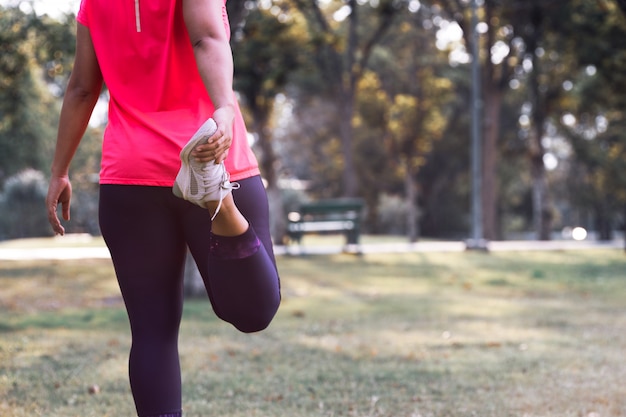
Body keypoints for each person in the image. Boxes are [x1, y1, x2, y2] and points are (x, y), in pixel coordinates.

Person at [45, 0, 281, 416]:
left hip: (130, 175)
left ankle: (217, 198)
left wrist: (59, 172)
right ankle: (219, 202)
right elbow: (207, 35)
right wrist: (224, 106)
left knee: (152, 333)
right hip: (210, 148)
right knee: (254, 311)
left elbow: (83, 87)